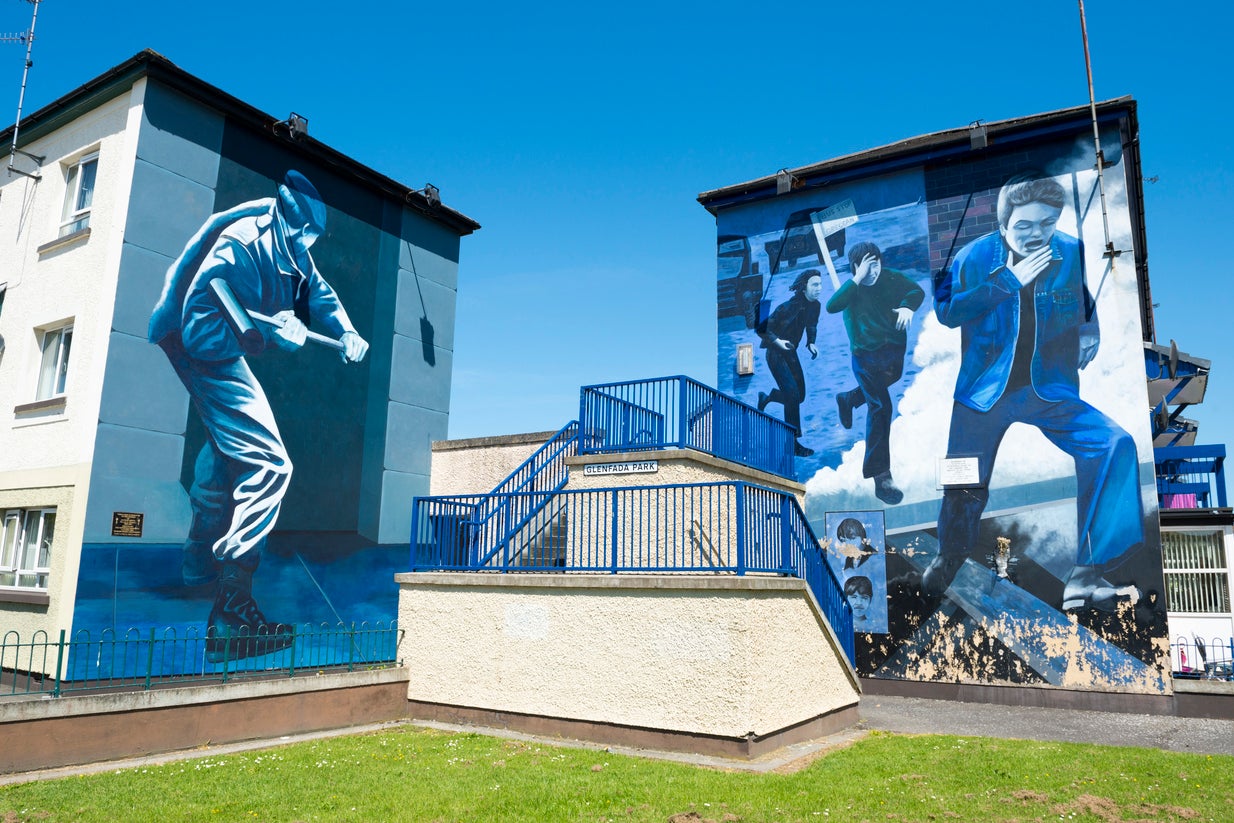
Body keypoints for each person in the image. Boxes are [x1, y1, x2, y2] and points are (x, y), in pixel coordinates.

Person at [149, 170, 369, 661]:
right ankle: (231, 612)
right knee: (270, 464)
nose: (305, 246)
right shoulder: (242, 245)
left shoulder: (291, 247)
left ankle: (199, 564)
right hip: (196, 342)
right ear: (284, 218)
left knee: (228, 448)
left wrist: (347, 332)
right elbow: (201, 328)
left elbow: (321, 293)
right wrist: (271, 330)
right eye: (302, 236)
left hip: (219, 340)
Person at [923, 173, 1143, 610]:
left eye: (1046, 223)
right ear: (1004, 224)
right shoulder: (972, 256)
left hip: (1048, 387)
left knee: (1115, 444)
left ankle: (1086, 574)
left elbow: (1080, 296)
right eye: (1024, 225)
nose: (1036, 234)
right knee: (963, 485)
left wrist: (1089, 328)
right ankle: (950, 557)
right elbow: (947, 311)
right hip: (983, 393)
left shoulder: (1068, 251)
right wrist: (1008, 279)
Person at [826, 242, 924, 504]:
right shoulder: (851, 291)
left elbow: (916, 290)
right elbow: (832, 306)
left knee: (892, 379)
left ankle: (848, 399)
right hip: (865, 357)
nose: (874, 270)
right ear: (856, 268)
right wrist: (857, 278)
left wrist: (907, 306)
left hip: (892, 353)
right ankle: (881, 477)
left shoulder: (892, 278)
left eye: (877, 263)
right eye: (867, 266)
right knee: (880, 407)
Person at [757, 269, 822, 457]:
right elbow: (763, 328)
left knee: (799, 396)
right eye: (815, 284)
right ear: (804, 288)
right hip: (775, 353)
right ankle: (792, 443)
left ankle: (768, 397)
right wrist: (777, 341)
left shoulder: (815, 306)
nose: (819, 288)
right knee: (792, 394)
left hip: (791, 353)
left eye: (820, 284)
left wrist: (811, 342)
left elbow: (812, 325)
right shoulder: (788, 307)